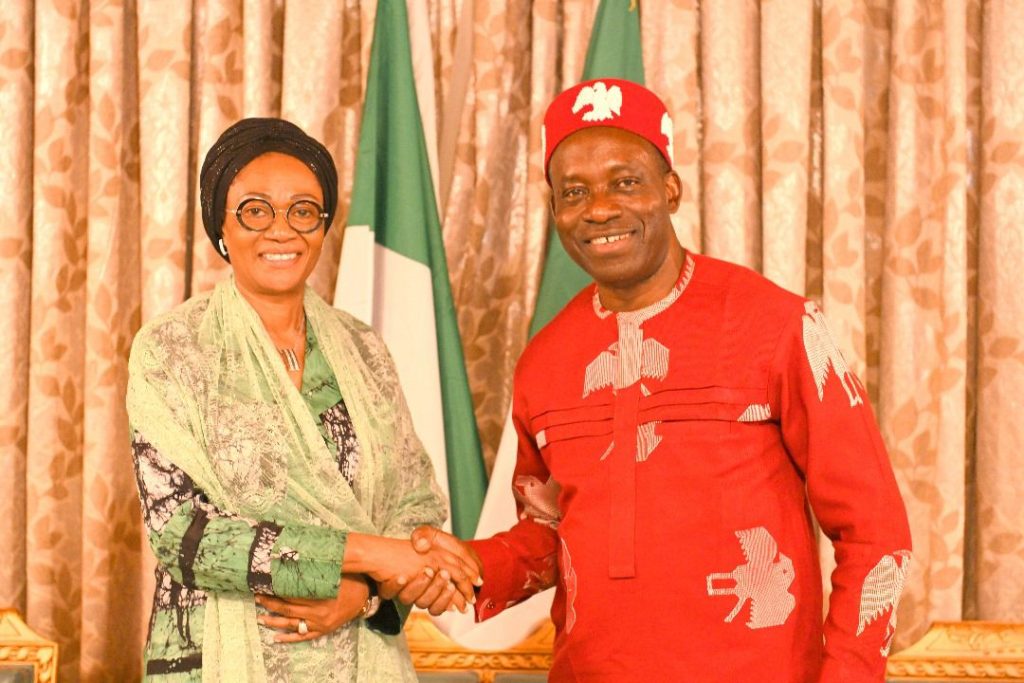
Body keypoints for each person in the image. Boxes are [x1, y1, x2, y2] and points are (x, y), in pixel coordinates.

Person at [403, 79, 913, 682]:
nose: (599, 209)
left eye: (625, 182)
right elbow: (550, 533)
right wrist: (471, 564)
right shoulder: (545, 360)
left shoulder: (778, 324)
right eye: (574, 192)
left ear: (671, 189)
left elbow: (874, 531)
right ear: (554, 209)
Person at [126, 118, 481, 682]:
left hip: (360, 653)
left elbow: (414, 500)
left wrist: (362, 594)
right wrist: (368, 556)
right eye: (255, 210)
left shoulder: (364, 349)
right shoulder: (173, 349)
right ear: (221, 225)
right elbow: (182, 534)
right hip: (220, 657)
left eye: (303, 211)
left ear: (323, 224)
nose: (281, 230)